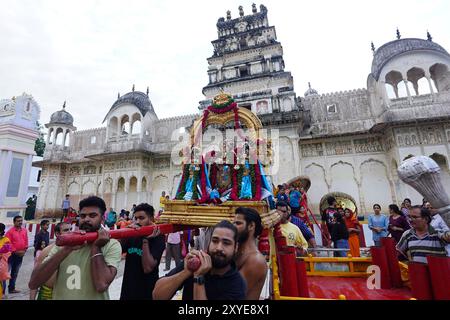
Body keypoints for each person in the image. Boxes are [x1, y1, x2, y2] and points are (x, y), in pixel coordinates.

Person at [29, 196, 122, 300]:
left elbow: (101, 285)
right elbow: (34, 283)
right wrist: (67, 249)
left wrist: (96, 247)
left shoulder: (111, 245)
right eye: (83, 216)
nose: (86, 219)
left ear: (102, 218)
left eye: (92, 215)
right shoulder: (66, 244)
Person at [153, 220, 246, 300]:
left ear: (236, 247)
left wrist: (199, 277)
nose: (219, 247)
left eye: (226, 243)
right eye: (215, 240)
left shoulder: (237, 284)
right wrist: (186, 272)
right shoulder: (195, 262)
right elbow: (157, 296)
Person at [120, 203, 166, 300]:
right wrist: (125, 233)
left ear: (151, 219)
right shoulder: (132, 233)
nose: (137, 221)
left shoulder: (158, 236)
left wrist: (145, 240)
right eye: (135, 218)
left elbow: (148, 268)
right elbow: (119, 250)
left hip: (147, 289)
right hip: (129, 288)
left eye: (141, 218)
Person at [30, 222, 71, 300]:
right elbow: (35, 276)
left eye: (70, 229)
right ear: (57, 233)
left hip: (65, 293)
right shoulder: (47, 251)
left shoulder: (74, 250)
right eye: (66, 230)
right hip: (46, 294)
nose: (70, 232)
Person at [233, 207, 268, 300]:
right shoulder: (237, 252)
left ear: (251, 226)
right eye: (233, 223)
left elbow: (231, 293)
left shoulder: (256, 261)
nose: (233, 227)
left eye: (238, 223)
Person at [5, 215, 28, 294]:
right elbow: (8, 244)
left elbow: (26, 241)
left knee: (15, 272)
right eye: (18, 221)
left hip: (20, 255)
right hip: (11, 256)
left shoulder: (24, 230)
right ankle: (2, 291)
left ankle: (11, 288)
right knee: (5, 273)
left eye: (21, 220)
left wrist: (24, 250)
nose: (20, 222)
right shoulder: (10, 232)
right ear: (14, 222)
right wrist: (15, 251)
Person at [0, 223, 12, 299]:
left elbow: (8, 252)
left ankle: (2, 294)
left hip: (1, 264)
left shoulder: (6, 240)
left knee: (2, 280)